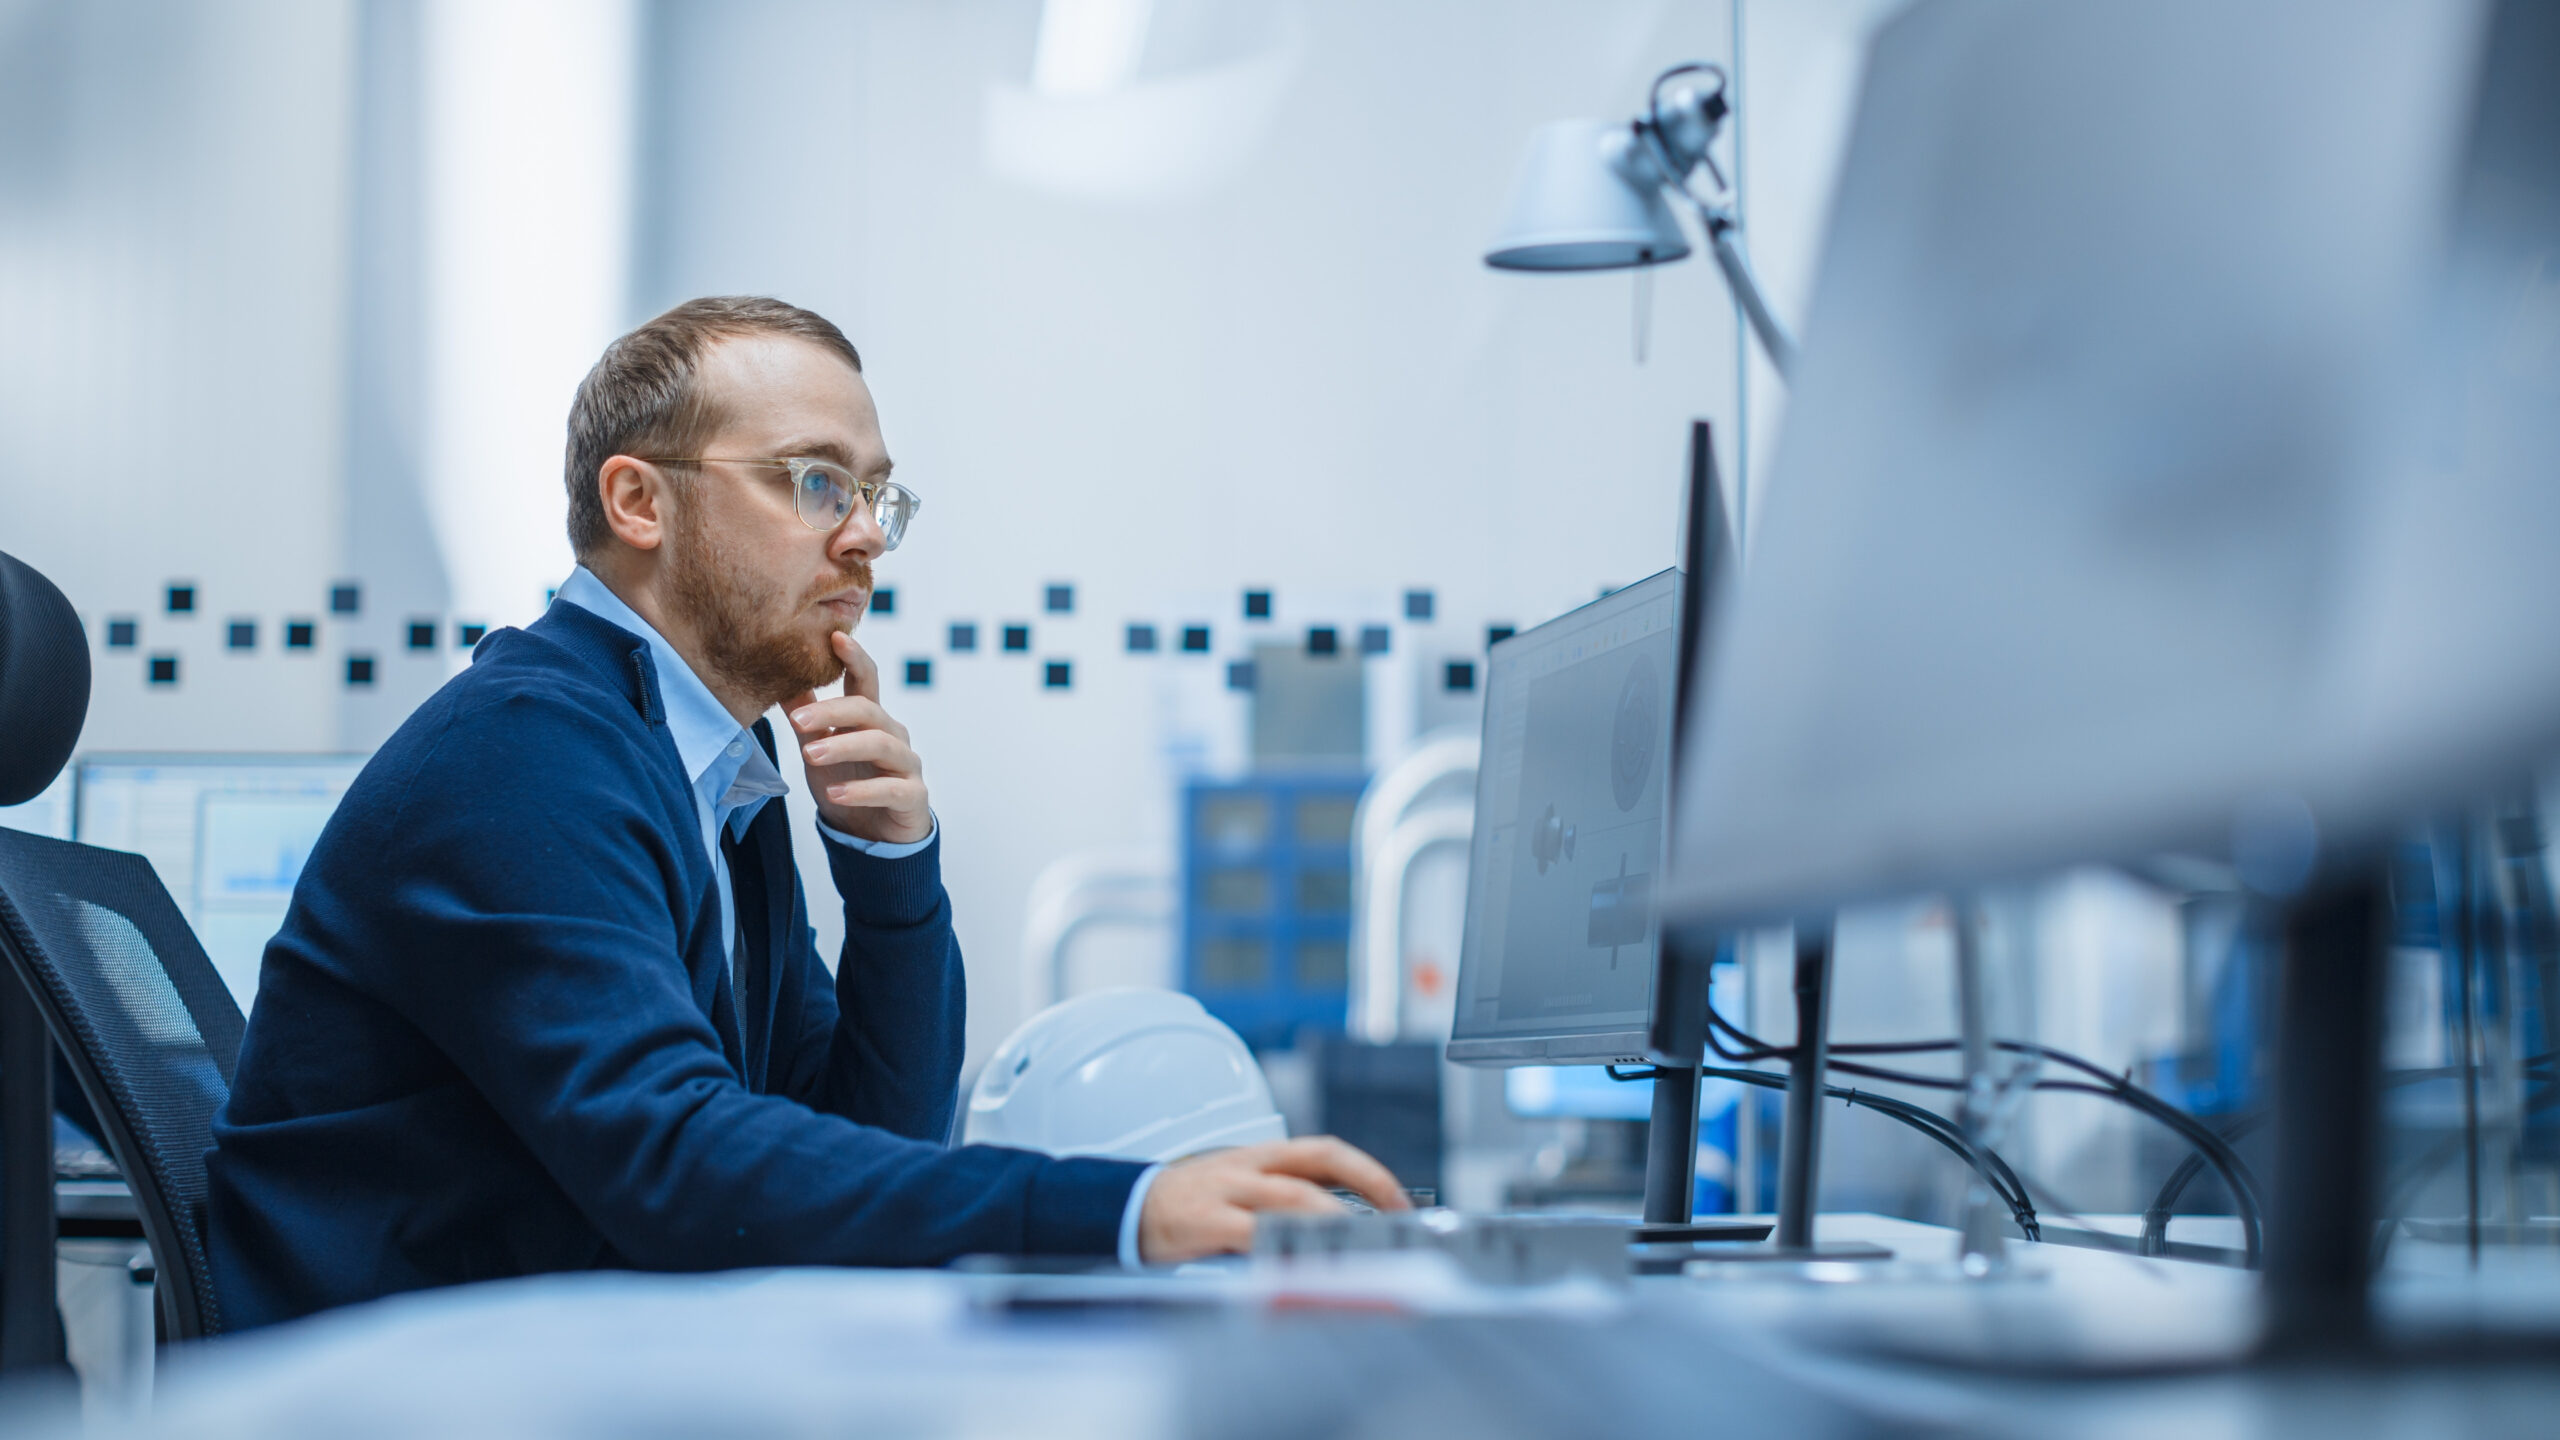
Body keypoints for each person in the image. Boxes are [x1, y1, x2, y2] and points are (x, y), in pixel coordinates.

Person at [203, 296, 1406, 1330]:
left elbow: (863, 1128)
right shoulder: (526, 753)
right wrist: (1128, 1209)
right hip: (396, 1393)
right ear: (639, 502)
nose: (867, 538)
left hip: (537, 1354)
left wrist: (891, 878)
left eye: (879, 495)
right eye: (816, 481)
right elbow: (673, 1164)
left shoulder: (711, 773)